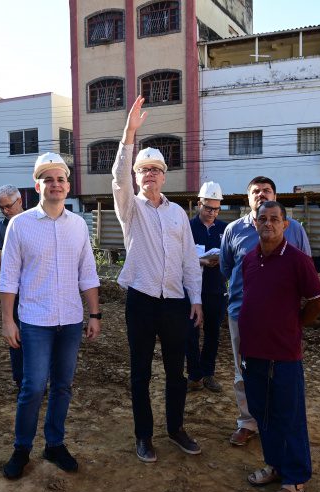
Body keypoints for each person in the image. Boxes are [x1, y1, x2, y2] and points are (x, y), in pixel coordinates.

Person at [112, 95, 203, 463]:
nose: (149, 174)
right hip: (142, 301)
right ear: (136, 177)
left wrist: (195, 299)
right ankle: (143, 435)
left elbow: (188, 260)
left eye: (156, 169)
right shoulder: (130, 209)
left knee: (176, 372)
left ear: (165, 175)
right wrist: (129, 133)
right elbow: (117, 179)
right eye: (143, 169)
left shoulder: (178, 213)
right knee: (140, 373)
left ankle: (176, 428)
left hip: (175, 303)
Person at [0, 152, 101, 479]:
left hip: (70, 321)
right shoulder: (20, 224)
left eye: (60, 179)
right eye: (49, 179)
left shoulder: (78, 226)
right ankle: (21, 448)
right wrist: (7, 320)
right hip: (34, 322)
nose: (55, 184)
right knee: (32, 386)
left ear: (67, 186)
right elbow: (8, 277)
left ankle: (54, 443)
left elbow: (88, 272)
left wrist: (95, 313)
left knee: (63, 386)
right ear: (37, 184)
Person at [241, 201, 320, 492]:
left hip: (284, 355)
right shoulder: (249, 259)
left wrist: (293, 325)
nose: (268, 224)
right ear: (255, 223)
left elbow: (318, 302)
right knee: (263, 415)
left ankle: (296, 477)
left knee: (289, 417)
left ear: (285, 225)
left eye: (275, 219)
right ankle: (276, 465)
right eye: (262, 218)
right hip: (253, 352)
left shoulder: (298, 260)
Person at [220, 176, 311, 446]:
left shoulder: (293, 229)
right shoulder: (234, 230)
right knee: (243, 371)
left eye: (267, 190)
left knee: (281, 372)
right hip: (242, 313)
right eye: (255, 191)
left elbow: (305, 268)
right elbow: (227, 268)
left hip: (282, 317)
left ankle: (277, 422)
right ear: (248, 198)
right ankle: (248, 421)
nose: (261, 194)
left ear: (275, 195)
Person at [186, 181, 228, 393]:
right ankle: (194, 375)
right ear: (198, 204)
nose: (212, 212)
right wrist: (200, 261)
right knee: (191, 333)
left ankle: (208, 373)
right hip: (193, 290)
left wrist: (221, 260)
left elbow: (232, 257)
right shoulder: (187, 227)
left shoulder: (224, 230)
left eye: (216, 208)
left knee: (213, 333)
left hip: (216, 289)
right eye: (208, 207)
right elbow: (178, 257)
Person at [0, 184, 24, 389]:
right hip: (14, 292)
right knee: (16, 334)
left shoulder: (35, 221)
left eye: (8, 206)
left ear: (19, 201)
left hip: (38, 291)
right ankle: (21, 380)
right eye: (1, 207)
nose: (5, 210)